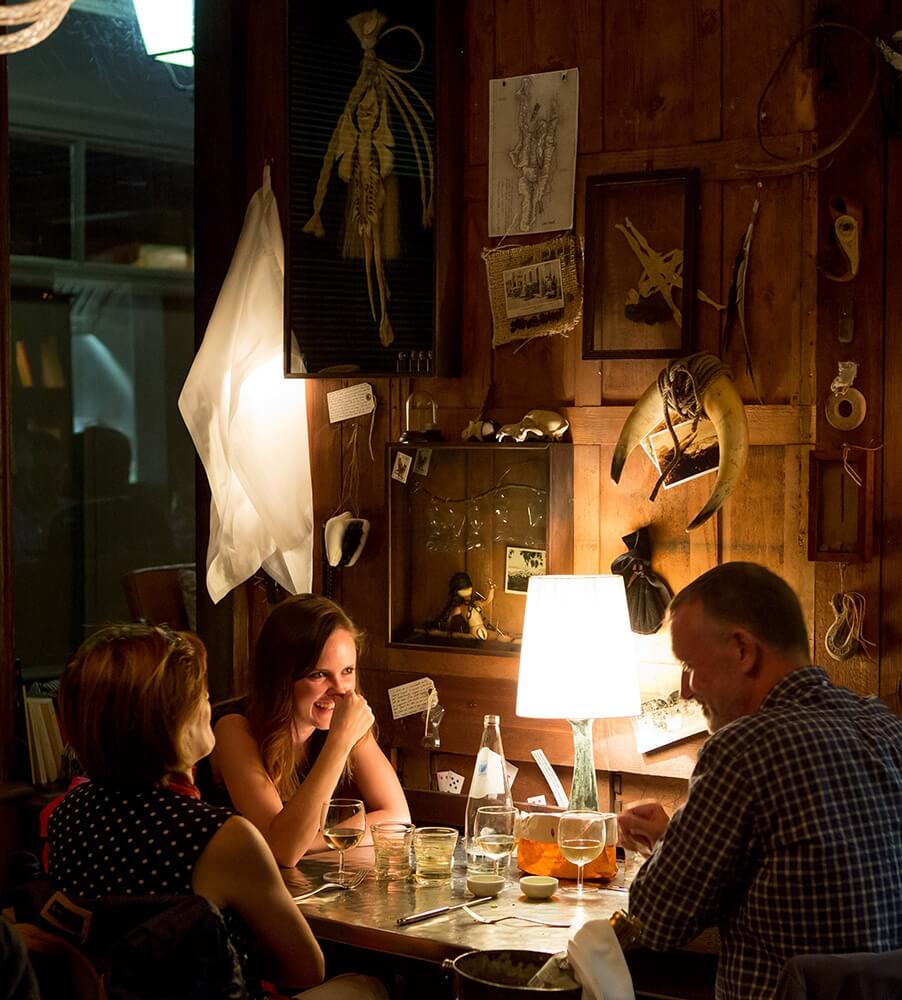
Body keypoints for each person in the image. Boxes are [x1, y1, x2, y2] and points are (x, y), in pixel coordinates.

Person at [48, 624, 387, 999]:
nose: (209, 700)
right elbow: (305, 968)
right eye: (198, 695)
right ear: (166, 722)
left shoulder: (68, 812)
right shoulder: (220, 836)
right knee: (369, 986)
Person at [618, 562, 902, 1000]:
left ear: (742, 650)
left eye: (690, 665)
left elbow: (654, 920)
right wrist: (676, 835)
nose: (687, 690)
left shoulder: (743, 749)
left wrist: (674, 852)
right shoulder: (886, 730)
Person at [209, 595, 409, 867]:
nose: (340, 689)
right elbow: (283, 850)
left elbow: (397, 818)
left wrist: (312, 840)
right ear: (282, 678)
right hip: (224, 893)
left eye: (347, 670)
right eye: (318, 675)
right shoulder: (234, 728)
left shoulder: (342, 718)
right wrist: (340, 741)